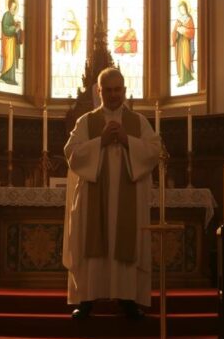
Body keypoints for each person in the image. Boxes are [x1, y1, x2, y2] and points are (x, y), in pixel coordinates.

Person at [63, 67, 161, 320]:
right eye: (108, 90)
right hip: (93, 198)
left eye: (118, 89)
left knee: (125, 242)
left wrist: (129, 141)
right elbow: (72, 154)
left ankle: (129, 299)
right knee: (92, 242)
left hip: (129, 196)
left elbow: (154, 151)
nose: (114, 95)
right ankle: (86, 299)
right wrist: (101, 141)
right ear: (99, 91)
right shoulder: (86, 121)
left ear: (125, 90)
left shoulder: (138, 122)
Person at [172, 0, 196, 86]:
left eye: (183, 8)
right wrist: (176, 31)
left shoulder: (189, 19)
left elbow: (192, 31)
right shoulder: (178, 20)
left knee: (185, 58)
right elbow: (173, 31)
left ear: (186, 8)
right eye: (180, 9)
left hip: (186, 42)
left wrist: (184, 31)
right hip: (179, 42)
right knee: (180, 59)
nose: (182, 10)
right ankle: (182, 78)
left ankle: (187, 77)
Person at [0, 0, 23, 85]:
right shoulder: (6, 15)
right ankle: (6, 77)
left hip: (12, 42)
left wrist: (19, 29)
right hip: (8, 41)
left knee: (12, 60)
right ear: (9, 6)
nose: (14, 9)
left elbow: (15, 30)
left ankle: (11, 78)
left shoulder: (12, 17)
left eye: (15, 8)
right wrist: (15, 28)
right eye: (13, 7)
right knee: (9, 59)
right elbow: (5, 28)